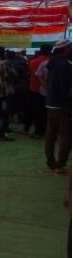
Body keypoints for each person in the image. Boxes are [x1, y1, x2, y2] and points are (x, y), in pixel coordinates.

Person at [43, 40, 71, 172]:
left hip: (51, 103)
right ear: (65, 48)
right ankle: (60, 165)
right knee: (66, 135)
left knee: (51, 133)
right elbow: (66, 89)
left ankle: (50, 161)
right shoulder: (66, 64)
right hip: (62, 105)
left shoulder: (51, 62)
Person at [23, 45, 51, 138]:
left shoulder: (32, 62)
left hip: (32, 88)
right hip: (45, 90)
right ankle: (39, 131)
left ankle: (26, 129)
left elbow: (30, 74)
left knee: (30, 110)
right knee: (42, 112)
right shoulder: (50, 62)